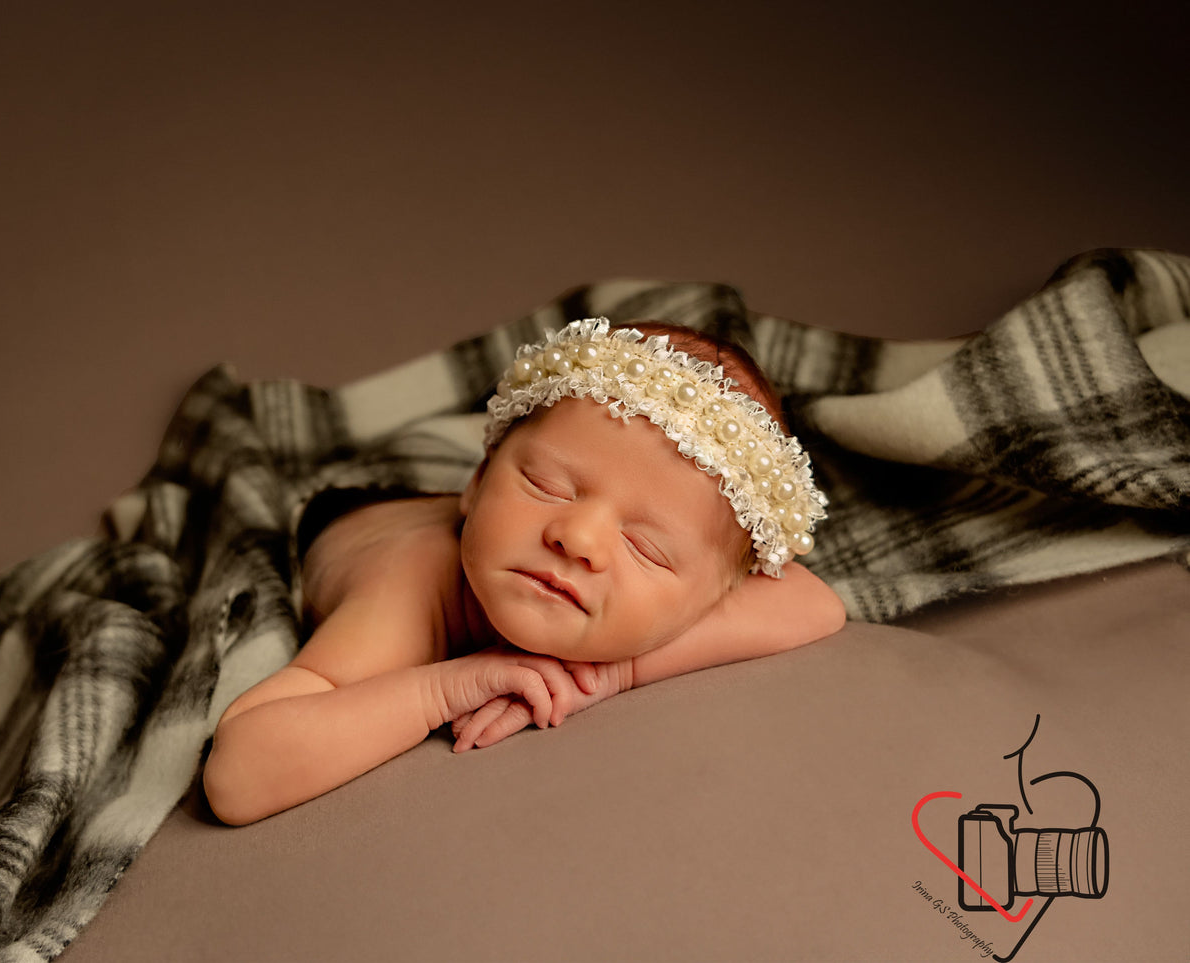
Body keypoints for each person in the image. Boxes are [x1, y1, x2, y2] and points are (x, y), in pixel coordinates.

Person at [203, 318, 846, 825]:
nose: (579, 537)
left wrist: (608, 671)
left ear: (710, 598)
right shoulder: (405, 592)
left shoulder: (696, 582)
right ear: (477, 481)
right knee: (426, 530)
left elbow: (816, 603)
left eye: (647, 548)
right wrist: (447, 687)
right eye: (547, 485)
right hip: (359, 518)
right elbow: (240, 774)